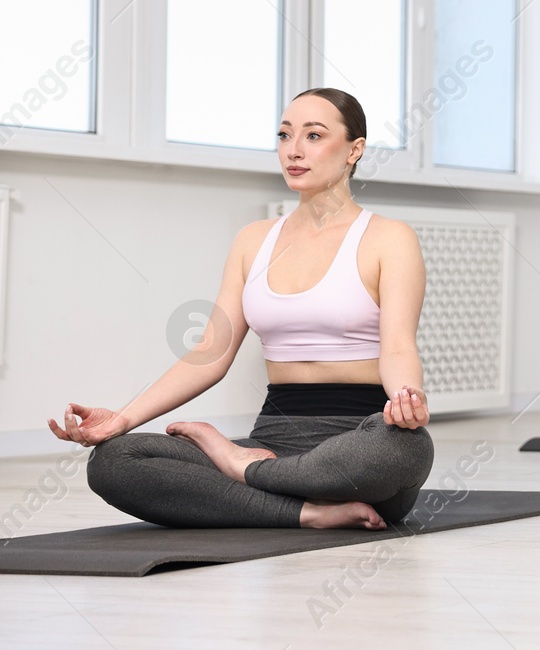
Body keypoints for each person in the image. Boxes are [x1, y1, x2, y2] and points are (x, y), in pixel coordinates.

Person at [50, 88, 434, 530]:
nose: (293, 150)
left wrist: (409, 399)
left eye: (313, 136)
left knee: (406, 449)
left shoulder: (389, 238)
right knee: (115, 460)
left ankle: (244, 473)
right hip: (273, 438)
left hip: (359, 437)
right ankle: (306, 511)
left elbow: (399, 346)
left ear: (355, 149)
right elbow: (209, 354)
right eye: (285, 135)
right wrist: (122, 419)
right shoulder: (254, 240)